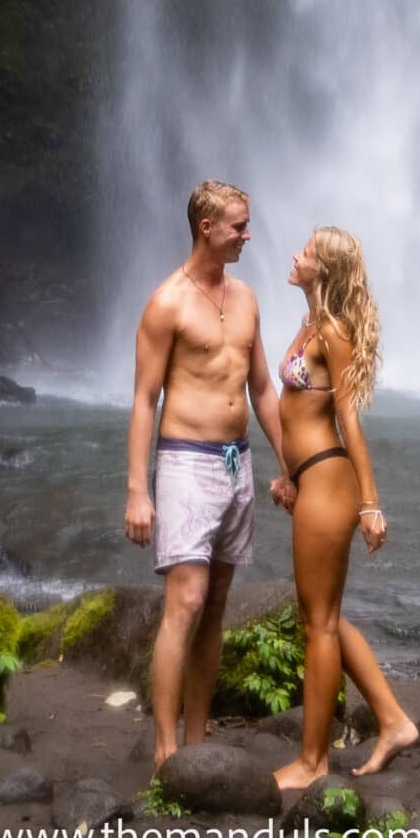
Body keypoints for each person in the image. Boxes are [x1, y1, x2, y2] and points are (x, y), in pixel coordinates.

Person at [125, 178, 297, 768]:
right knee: (186, 601)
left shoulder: (246, 298)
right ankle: (164, 750)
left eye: (247, 224)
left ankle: (197, 745)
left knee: (217, 604)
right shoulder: (167, 302)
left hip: (236, 461)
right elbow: (145, 399)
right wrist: (136, 491)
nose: (249, 235)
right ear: (206, 227)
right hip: (185, 462)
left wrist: (288, 462)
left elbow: (263, 389)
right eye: (239, 226)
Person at [270, 224, 418, 792]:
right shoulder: (308, 323)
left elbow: (349, 423)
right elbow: (293, 410)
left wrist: (370, 504)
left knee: (319, 625)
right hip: (309, 480)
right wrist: (287, 474)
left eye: (305, 252)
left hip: (331, 482)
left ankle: (312, 763)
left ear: (323, 270)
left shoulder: (332, 332)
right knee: (323, 617)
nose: (295, 255)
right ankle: (393, 721)